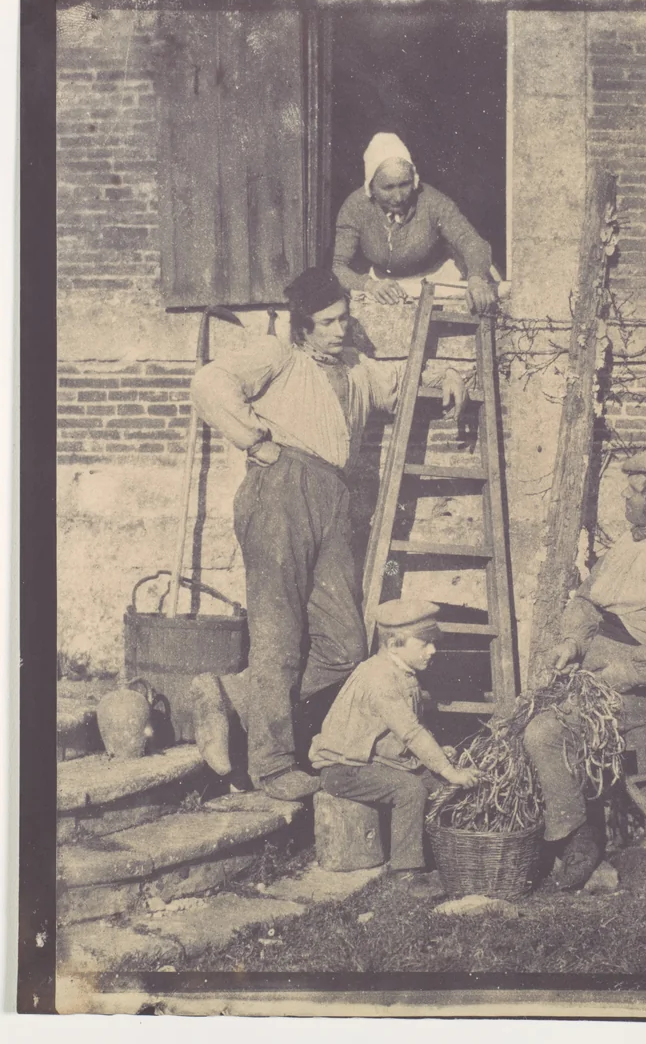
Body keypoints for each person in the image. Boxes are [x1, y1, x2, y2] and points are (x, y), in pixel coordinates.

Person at [188, 268, 469, 802]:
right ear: (302, 328)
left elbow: (401, 384)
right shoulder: (278, 355)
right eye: (327, 323)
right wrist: (254, 441)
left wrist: (448, 375)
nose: (339, 330)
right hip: (280, 491)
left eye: (344, 319)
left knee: (344, 644)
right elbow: (208, 382)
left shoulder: (357, 367)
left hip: (333, 498)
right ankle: (271, 766)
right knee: (280, 637)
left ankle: (232, 694)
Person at [524, 448, 646, 890]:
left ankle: (578, 841)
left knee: (544, 733)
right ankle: (555, 830)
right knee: (523, 713)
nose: (623, 498)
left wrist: (628, 673)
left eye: (634, 491)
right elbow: (590, 600)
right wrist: (572, 641)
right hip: (595, 670)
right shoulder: (633, 539)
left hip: (642, 692)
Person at [310, 598, 480, 894]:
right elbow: (411, 732)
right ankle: (405, 872)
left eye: (433, 642)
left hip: (375, 762)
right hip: (343, 769)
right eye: (424, 643)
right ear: (393, 643)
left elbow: (409, 729)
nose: (433, 650)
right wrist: (449, 770)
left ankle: (450, 857)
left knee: (437, 785)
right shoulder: (379, 678)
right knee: (410, 789)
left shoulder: (401, 672)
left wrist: (440, 758)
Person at [331, 132, 499, 314]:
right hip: (384, 285)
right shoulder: (355, 208)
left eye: (404, 184)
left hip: (439, 278)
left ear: (414, 180)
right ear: (371, 186)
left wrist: (476, 278)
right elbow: (339, 268)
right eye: (388, 187)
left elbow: (471, 241)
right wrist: (369, 285)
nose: (398, 197)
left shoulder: (432, 201)